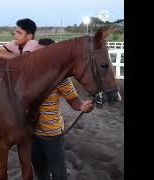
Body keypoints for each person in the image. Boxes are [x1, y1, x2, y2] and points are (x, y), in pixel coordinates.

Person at [31, 38, 94, 180]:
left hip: (52, 134)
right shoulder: (28, 75)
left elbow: (73, 99)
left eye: (39, 53)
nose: (34, 57)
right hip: (31, 133)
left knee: (59, 173)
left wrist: (82, 106)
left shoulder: (60, 77)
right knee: (40, 171)